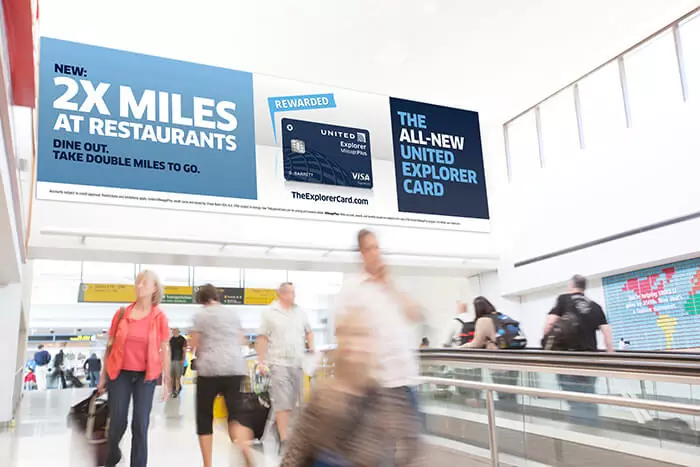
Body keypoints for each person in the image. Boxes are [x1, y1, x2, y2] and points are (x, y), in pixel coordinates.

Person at [282, 309, 424, 466]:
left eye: (361, 335)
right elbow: (295, 453)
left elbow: (410, 448)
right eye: (347, 335)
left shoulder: (389, 400)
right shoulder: (323, 396)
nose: (354, 344)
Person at [335, 229, 425, 459]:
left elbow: (414, 314)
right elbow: (341, 330)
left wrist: (390, 285)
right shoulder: (352, 288)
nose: (376, 253)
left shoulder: (392, 284)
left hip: (406, 378)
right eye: (370, 248)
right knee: (383, 452)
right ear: (361, 253)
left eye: (377, 247)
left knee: (413, 448)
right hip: (378, 382)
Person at [97, 270, 171, 467]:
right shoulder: (122, 314)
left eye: (144, 283)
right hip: (119, 373)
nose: (139, 286)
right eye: (137, 282)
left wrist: (167, 380)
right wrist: (103, 376)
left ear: (154, 288)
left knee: (140, 424)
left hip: (145, 376)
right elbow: (110, 346)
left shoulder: (159, 317)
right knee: (117, 423)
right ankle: (113, 455)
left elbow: (165, 347)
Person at [190, 284, 253, 467]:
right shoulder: (232, 314)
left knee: (204, 416)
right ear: (216, 296)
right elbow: (241, 339)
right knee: (234, 415)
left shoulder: (201, 315)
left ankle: (208, 464)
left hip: (209, 370)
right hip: (234, 368)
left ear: (201, 300)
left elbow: (194, 345)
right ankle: (244, 445)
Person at [543, 274, 614, 426]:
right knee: (589, 394)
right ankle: (593, 427)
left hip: (568, 358)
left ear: (571, 285)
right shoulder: (594, 305)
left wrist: (546, 343)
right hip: (591, 359)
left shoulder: (564, 299)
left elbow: (550, 322)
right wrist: (611, 353)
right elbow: (606, 331)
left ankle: (582, 431)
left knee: (575, 397)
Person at [256, 282, 314, 450]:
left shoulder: (300, 312)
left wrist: (311, 346)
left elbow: (309, 331)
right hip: (277, 362)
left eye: (294, 292)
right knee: (283, 402)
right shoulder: (269, 312)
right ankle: (284, 438)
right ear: (280, 294)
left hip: (297, 362)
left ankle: (287, 432)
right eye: (289, 292)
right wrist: (261, 362)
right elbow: (262, 338)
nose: (292, 296)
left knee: (298, 401)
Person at [461, 296, 519, 403]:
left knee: (503, 396)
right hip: (513, 363)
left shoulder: (483, 320)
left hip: (500, 365)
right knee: (511, 395)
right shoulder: (500, 316)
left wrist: (460, 348)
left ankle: (508, 416)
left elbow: (476, 344)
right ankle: (514, 415)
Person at [169, 328, 187, 398]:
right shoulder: (171, 339)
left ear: (178, 332)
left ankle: (176, 391)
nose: (173, 332)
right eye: (173, 331)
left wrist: (183, 359)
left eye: (174, 331)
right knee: (172, 376)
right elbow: (169, 350)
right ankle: (175, 389)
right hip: (172, 360)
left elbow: (184, 350)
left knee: (177, 377)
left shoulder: (182, 339)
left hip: (179, 360)